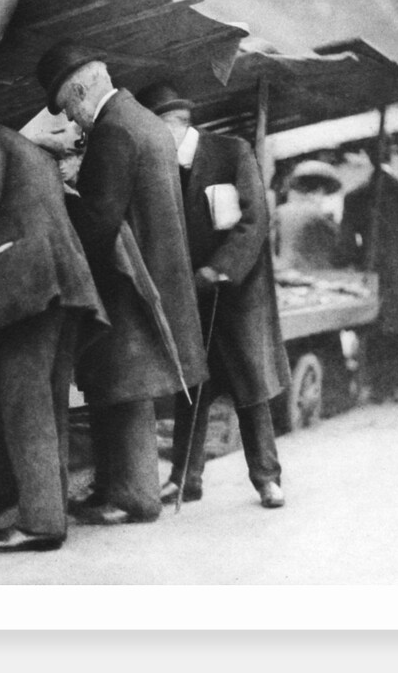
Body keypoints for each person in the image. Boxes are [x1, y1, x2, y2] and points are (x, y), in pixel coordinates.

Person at [36, 42, 208, 525]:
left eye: (69, 106)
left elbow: (98, 220)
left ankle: (133, 497)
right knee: (128, 385)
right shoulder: (145, 121)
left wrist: (62, 191)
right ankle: (118, 488)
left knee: (124, 385)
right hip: (160, 273)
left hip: (130, 283)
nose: (71, 120)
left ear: (83, 89)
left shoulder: (113, 131)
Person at [0, 121, 109, 552]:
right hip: (62, 287)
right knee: (48, 404)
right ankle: (50, 516)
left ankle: (39, 524)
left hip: (28, 289)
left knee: (23, 404)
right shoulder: (27, 149)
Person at [136, 85, 291, 509]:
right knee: (192, 388)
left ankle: (267, 479)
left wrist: (219, 269)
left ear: (172, 125)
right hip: (192, 299)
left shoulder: (231, 152)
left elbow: (254, 221)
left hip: (236, 296)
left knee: (250, 388)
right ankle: (186, 478)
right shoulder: (161, 168)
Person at [335, 144, 398, 403]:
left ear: (368, 156)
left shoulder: (355, 195)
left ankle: (373, 386)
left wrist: (353, 263)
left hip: (369, 271)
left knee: (372, 327)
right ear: (389, 155)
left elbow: (346, 244)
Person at [272, 160, 342, 272]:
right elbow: (336, 247)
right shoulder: (320, 216)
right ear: (321, 189)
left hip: (283, 270)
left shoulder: (281, 211)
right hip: (313, 273)